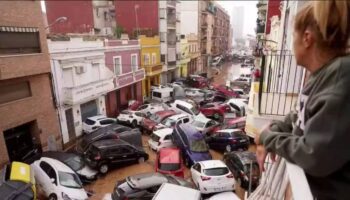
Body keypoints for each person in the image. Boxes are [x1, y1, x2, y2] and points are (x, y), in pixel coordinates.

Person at [255, 1, 350, 199]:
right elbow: (299, 115)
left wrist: (268, 138)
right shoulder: (322, 74)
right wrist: (276, 129)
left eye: (293, 36)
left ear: (307, 38)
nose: (292, 43)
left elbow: (315, 155)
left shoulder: (341, 76)